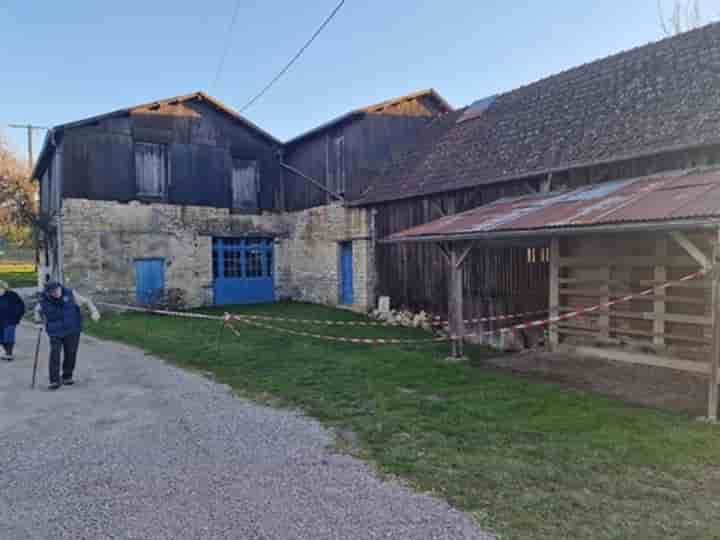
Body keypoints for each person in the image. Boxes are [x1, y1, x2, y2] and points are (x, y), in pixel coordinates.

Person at [35, 281, 100, 390]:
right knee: (55, 353)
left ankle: (67, 376)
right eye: (52, 292)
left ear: (60, 287)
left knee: (71, 352)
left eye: (56, 290)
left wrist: (94, 311)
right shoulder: (43, 300)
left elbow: (86, 302)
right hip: (55, 330)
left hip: (72, 328)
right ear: (48, 292)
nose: (55, 293)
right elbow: (37, 311)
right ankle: (54, 380)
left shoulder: (71, 294)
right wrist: (38, 322)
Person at [0, 280, 26, 361]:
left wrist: (16, 316)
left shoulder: (12, 295)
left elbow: (21, 306)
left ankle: (9, 353)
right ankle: (7, 352)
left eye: (1, 288)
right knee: (1, 339)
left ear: (4, 288)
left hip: (10, 320)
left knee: (9, 337)